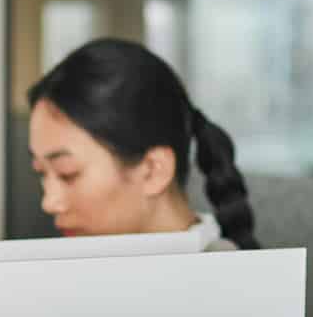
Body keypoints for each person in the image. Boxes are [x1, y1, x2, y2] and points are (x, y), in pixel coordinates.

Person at [27, 38, 259, 250]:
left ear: (153, 170)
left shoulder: (227, 285)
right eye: (41, 173)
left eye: (68, 174)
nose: (50, 203)